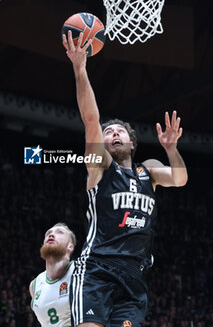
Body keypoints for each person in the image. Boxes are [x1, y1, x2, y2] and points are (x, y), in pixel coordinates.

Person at [62, 31, 188, 327]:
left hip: (134, 278)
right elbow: (91, 119)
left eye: (120, 131)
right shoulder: (100, 167)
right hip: (97, 270)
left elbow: (180, 179)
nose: (114, 133)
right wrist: (80, 67)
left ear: (132, 143)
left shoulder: (150, 170)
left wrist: (171, 150)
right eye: (109, 132)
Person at [29, 223, 76, 326]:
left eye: (59, 232)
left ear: (70, 247)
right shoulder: (35, 285)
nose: (51, 235)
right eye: (48, 233)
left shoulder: (79, 271)